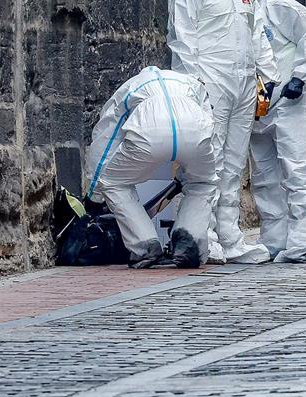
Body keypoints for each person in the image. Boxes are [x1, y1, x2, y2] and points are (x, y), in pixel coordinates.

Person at [167, 0, 280, 264]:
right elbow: (183, 37)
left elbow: (255, 27)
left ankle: (231, 236)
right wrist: (193, 85)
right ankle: (206, 236)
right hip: (211, 79)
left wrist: (269, 72)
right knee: (209, 160)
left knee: (233, 161)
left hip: (244, 79)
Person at [85, 66, 218, 268]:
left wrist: (94, 195)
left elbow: (106, 140)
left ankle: (144, 245)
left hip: (149, 134)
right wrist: (191, 171)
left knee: (113, 183)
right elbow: (209, 124)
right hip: (195, 130)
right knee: (203, 183)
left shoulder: (130, 87)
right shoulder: (192, 84)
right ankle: (188, 239)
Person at [248, 0, 306, 263]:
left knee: (296, 167)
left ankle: (302, 238)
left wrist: (301, 76)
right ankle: (274, 239)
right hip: (256, 106)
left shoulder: (278, 6)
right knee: (264, 174)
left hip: (291, 100)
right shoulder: (231, 17)